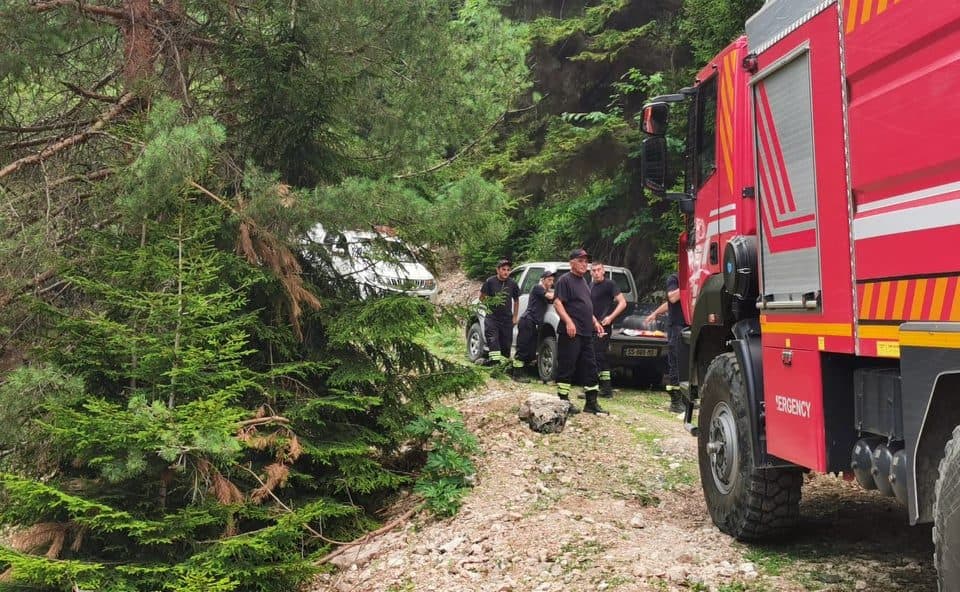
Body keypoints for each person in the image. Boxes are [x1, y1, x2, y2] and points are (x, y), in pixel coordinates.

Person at [553, 248, 607, 415]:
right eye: (581, 261)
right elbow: (557, 303)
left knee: (591, 366)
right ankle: (563, 402)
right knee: (567, 367)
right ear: (572, 263)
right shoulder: (565, 280)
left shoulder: (584, 282)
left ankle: (591, 403)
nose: (585, 264)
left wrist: (595, 322)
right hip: (571, 332)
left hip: (586, 332)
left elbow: (586, 306)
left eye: (586, 261)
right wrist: (568, 322)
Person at [645, 272, 685, 413]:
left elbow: (668, 303)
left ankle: (686, 399)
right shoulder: (674, 278)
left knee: (686, 364)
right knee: (676, 362)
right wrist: (690, 284)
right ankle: (675, 402)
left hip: (688, 325)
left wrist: (655, 313)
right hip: (676, 326)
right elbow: (672, 298)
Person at [512, 267, 556, 381]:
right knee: (523, 349)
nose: (551, 282)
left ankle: (522, 372)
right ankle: (517, 374)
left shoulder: (546, 290)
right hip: (528, 321)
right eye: (549, 280)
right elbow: (550, 296)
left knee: (531, 352)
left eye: (552, 280)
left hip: (534, 324)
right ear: (543, 280)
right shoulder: (537, 288)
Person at [590, 261, 627, 397]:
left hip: (603, 326)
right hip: (591, 325)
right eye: (593, 270)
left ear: (603, 271)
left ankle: (595, 388)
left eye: (598, 270)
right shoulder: (590, 285)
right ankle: (605, 389)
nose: (596, 273)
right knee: (599, 357)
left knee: (597, 355)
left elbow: (622, 303)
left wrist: (611, 317)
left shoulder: (610, 284)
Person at [480, 259, 520, 369]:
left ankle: (504, 366)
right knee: (493, 341)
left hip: (507, 319)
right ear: (497, 270)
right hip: (492, 318)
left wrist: (515, 317)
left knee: (506, 344)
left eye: (508, 270)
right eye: (503, 269)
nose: (506, 272)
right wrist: (490, 305)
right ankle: (494, 364)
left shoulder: (512, 284)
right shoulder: (490, 282)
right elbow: (482, 298)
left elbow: (516, 300)